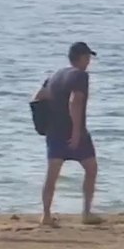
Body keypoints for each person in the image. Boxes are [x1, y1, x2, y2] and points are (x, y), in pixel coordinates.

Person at [34, 42, 101, 226]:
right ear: (80, 58)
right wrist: (77, 131)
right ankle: (86, 213)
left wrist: (48, 119)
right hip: (74, 132)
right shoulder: (80, 76)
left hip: (54, 132)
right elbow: (75, 102)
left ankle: (46, 215)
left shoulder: (55, 75)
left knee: (52, 174)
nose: (89, 61)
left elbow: (39, 96)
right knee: (91, 168)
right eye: (87, 57)